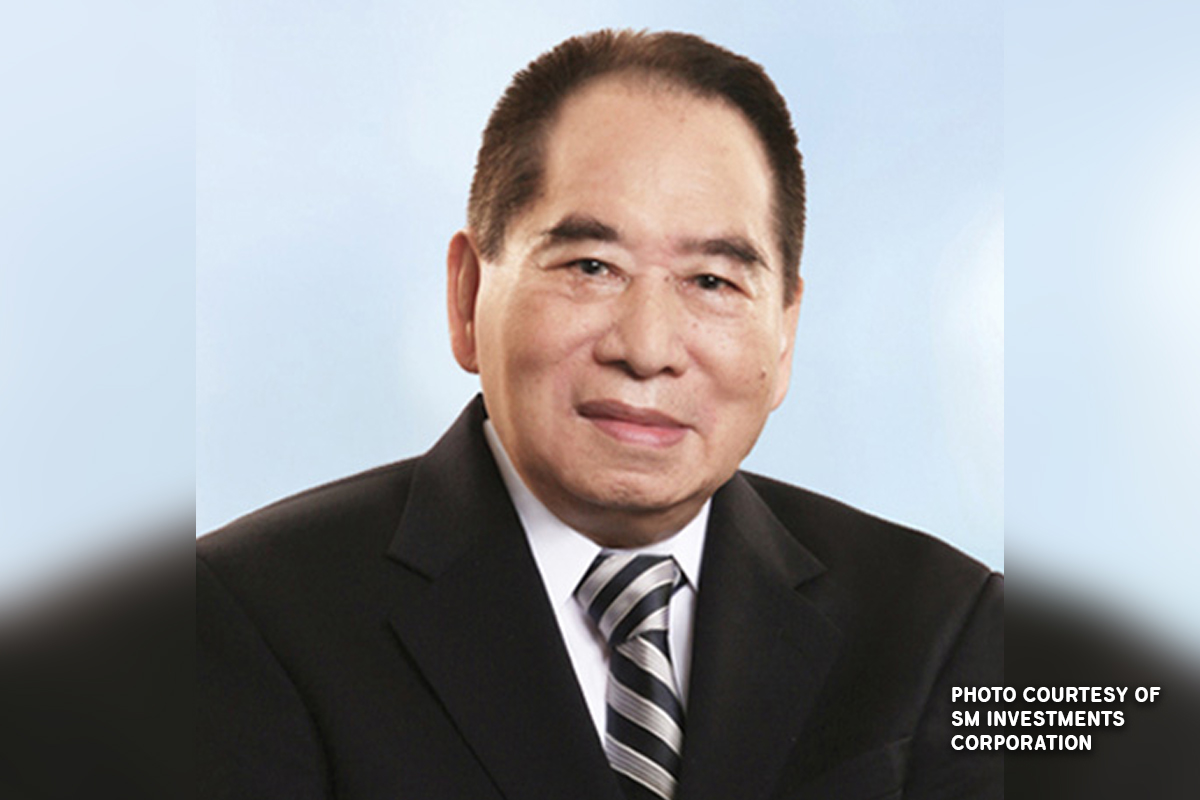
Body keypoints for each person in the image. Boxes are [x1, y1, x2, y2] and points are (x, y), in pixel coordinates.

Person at [198, 29, 1002, 800]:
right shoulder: (244, 616)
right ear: (468, 295)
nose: (648, 349)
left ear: (785, 331)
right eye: (591, 266)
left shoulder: (949, 627)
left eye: (713, 282)